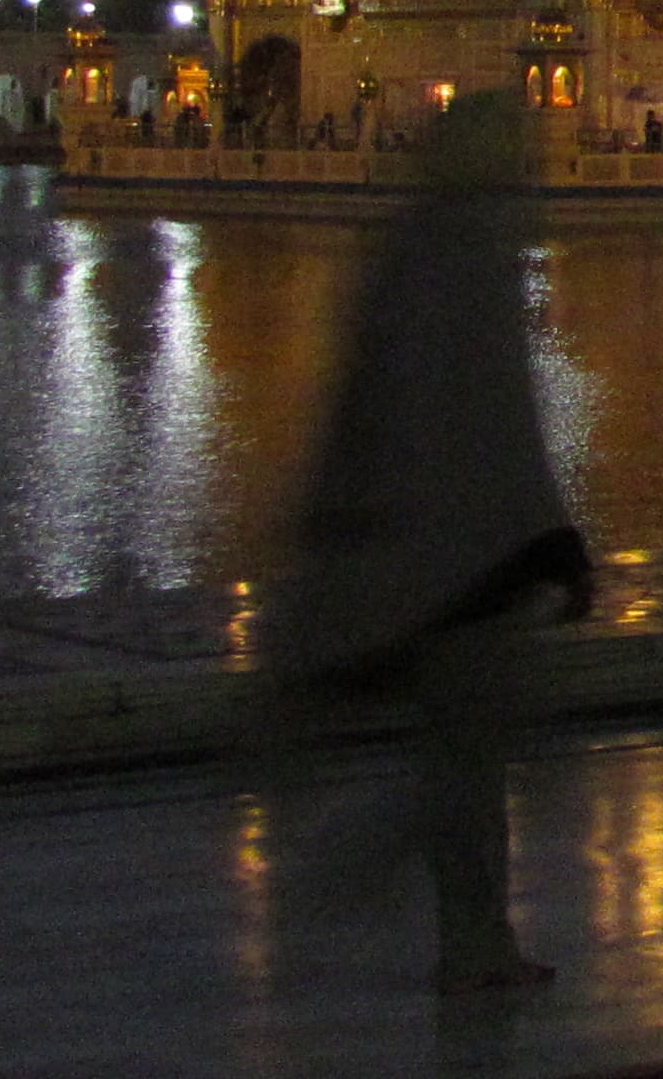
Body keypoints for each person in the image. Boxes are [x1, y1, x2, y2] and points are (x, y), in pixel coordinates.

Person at [260, 91, 591, 994]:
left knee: (466, 763)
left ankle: (471, 939)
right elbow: (498, 410)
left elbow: (365, 404)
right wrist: (552, 539)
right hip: (475, 559)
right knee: (468, 767)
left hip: (427, 548)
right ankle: (412, 906)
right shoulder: (472, 251)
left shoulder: (411, 241)